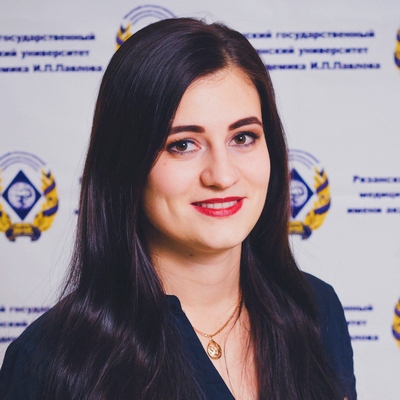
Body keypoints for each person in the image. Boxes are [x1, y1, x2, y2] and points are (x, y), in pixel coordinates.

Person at [0, 18, 356, 399]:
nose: (222, 175)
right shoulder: (48, 363)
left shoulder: (316, 311)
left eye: (243, 137)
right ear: (126, 165)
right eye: (183, 145)